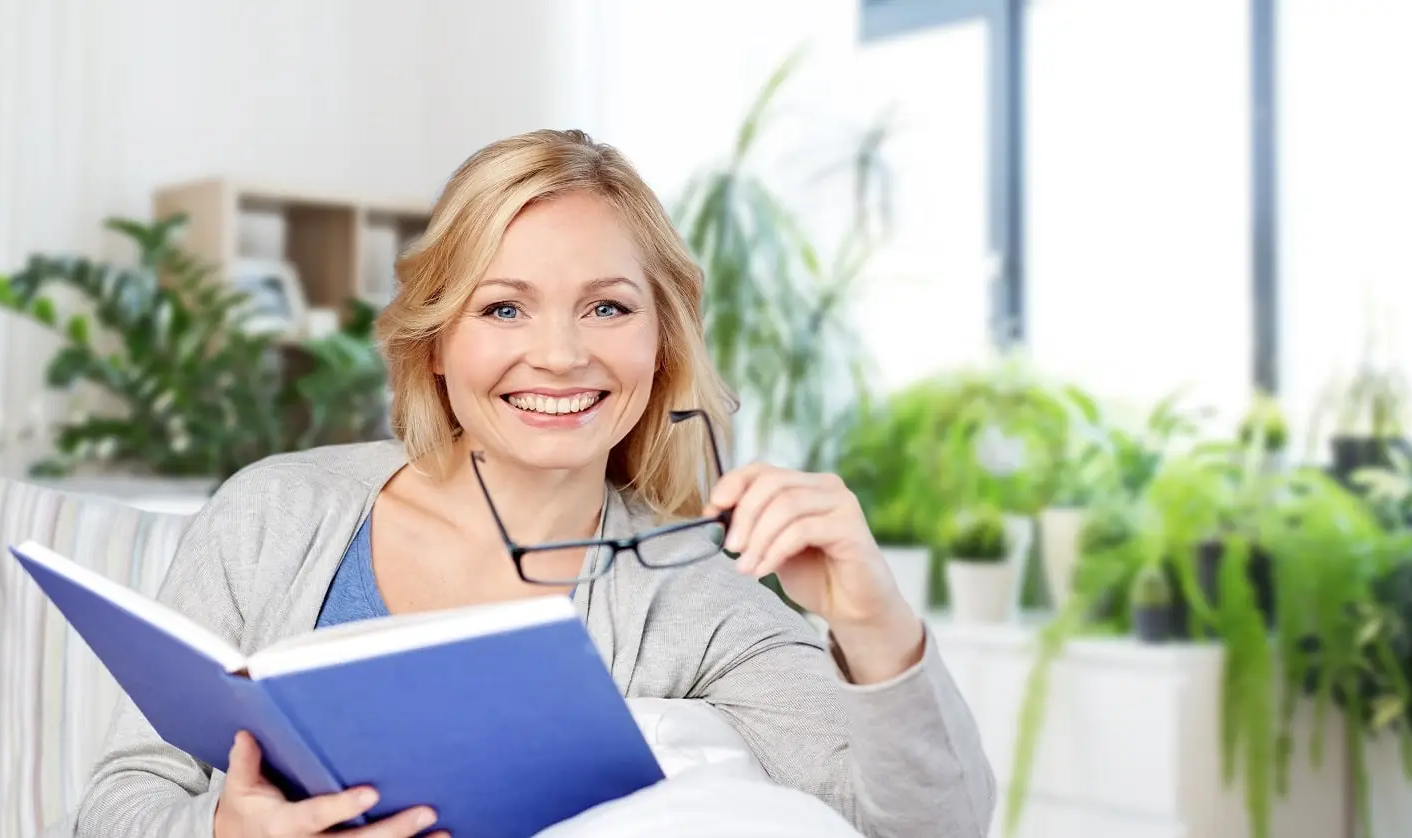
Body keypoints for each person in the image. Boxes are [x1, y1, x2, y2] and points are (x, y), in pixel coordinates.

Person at [69, 129, 996, 838]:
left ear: (661, 340)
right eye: (504, 307)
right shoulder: (275, 515)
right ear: (436, 342)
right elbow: (119, 797)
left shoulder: (696, 600)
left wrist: (873, 620)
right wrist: (222, 831)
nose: (558, 356)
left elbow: (924, 826)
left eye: (607, 307)